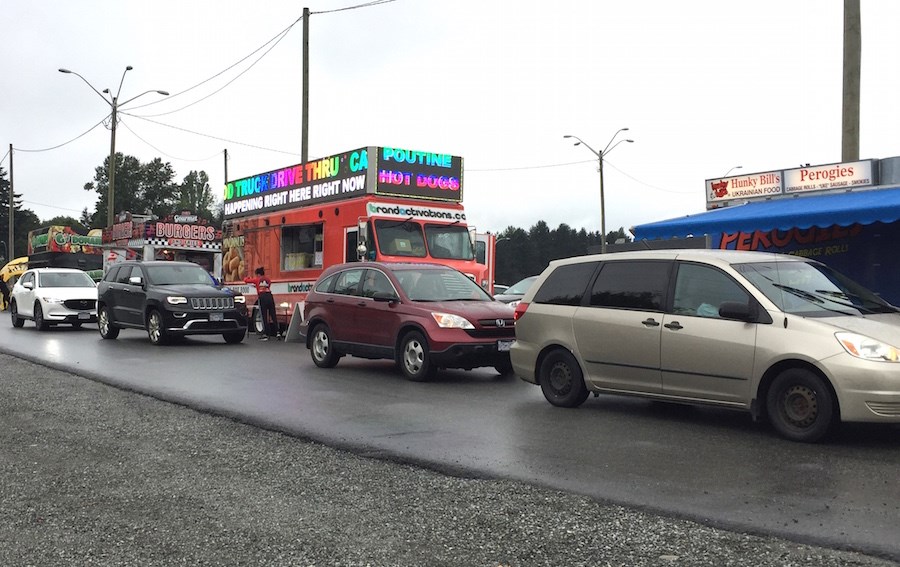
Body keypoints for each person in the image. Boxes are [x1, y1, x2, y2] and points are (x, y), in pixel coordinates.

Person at [244, 267, 277, 341]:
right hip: (269, 296)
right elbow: (269, 285)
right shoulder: (268, 280)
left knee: (264, 316)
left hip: (262, 297)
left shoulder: (257, 280)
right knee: (273, 314)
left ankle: (266, 334)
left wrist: (247, 277)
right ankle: (277, 332)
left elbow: (246, 281)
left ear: (258, 274)